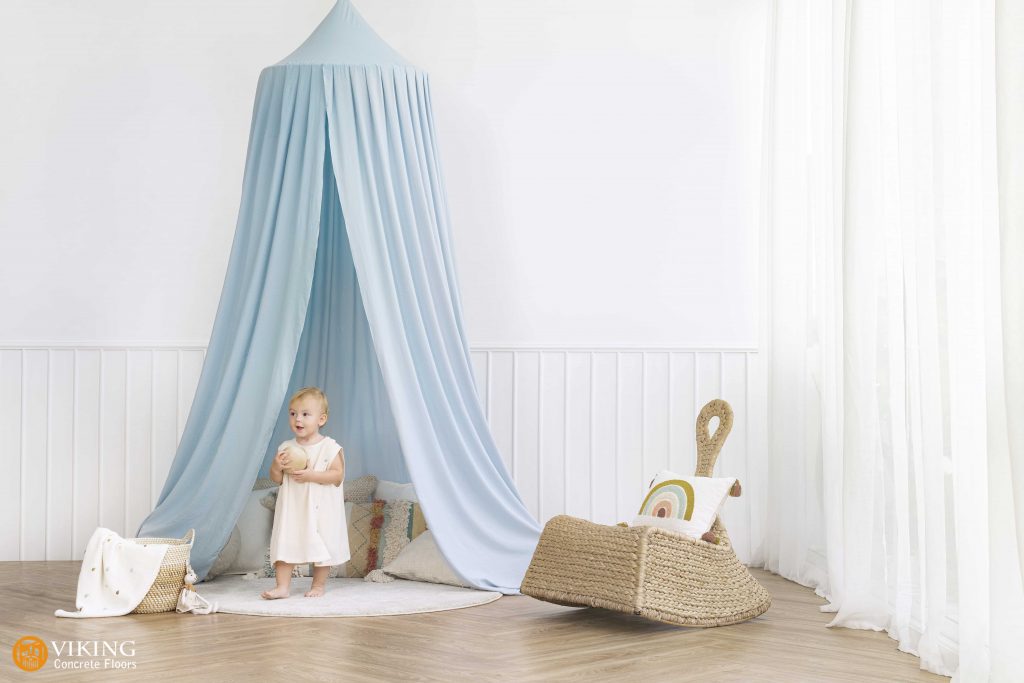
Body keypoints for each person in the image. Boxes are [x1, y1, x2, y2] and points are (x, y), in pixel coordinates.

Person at [260, 387, 348, 599]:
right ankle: (282, 587)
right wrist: (276, 465)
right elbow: (277, 479)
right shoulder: (286, 447)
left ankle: (318, 585)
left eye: (305, 414)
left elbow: (337, 476)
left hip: (320, 507)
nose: (297, 419)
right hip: (294, 507)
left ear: (321, 419)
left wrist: (311, 475)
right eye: (293, 413)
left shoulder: (329, 447)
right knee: (285, 543)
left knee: (322, 543)